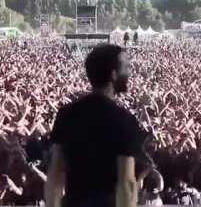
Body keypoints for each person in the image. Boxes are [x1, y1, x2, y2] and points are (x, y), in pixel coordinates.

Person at [45, 44, 143, 207]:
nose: (129, 73)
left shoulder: (66, 114)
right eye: (126, 67)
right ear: (113, 74)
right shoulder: (124, 119)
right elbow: (126, 183)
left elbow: (55, 174)